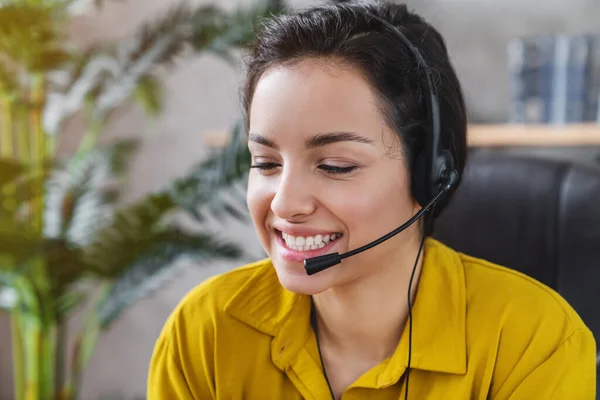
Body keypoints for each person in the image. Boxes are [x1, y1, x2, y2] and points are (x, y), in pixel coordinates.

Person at [147, 1, 597, 399]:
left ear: (429, 174)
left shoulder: (533, 342)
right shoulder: (205, 333)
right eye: (265, 163)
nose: (284, 204)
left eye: (335, 166)